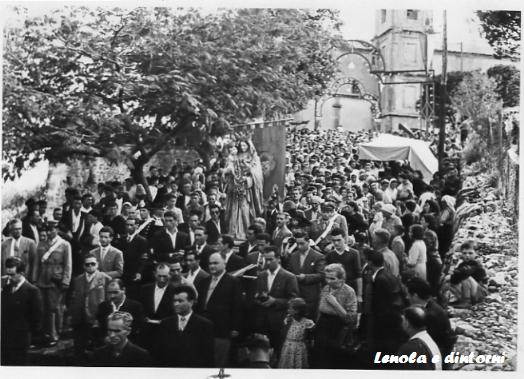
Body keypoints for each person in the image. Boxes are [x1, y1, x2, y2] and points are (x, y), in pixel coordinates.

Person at [195, 252, 242, 367]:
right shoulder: (204, 281)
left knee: (219, 361)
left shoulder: (233, 282)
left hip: (222, 329)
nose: (212, 266)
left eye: (215, 263)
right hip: (203, 328)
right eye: (210, 263)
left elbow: (237, 306)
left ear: (224, 264)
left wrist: (235, 327)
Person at [154, 285, 214, 367]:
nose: (176, 304)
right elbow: (159, 353)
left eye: (180, 301)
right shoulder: (165, 323)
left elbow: (208, 356)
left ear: (191, 302)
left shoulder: (204, 325)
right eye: (174, 301)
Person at [253, 246, 299, 353]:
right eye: (266, 259)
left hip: (278, 322)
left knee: (278, 352)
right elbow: (255, 295)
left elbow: (294, 300)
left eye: (270, 259)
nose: (268, 262)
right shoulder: (261, 275)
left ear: (278, 259)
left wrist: (275, 301)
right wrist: (258, 300)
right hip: (262, 322)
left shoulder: (289, 277)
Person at [34, 220, 72, 345]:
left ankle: (55, 334)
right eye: (48, 230)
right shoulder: (41, 244)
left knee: (54, 308)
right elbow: (36, 264)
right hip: (41, 280)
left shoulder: (64, 244)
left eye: (52, 229)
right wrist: (34, 279)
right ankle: (46, 333)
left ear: (57, 229)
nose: (50, 232)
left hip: (55, 279)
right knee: (43, 307)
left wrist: (66, 280)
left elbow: (68, 265)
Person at [313, 263, 357, 369]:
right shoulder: (325, 288)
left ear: (342, 279)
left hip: (338, 329)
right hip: (322, 327)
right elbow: (319, 309)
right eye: (327, 278)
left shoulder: (349, 291)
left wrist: (335, 304)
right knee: (319, 358)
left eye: (332, 278)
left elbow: (351, 318)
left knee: (333, 360)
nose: (328, 281)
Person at [1, 257, 43, 365]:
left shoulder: (32, 291)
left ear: (22, 273)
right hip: (5, 337)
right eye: (8, 275)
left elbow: (36, 316)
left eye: (13, 275)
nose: (9, 278)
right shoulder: (6, 288)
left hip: (21, 338)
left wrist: (31, 334)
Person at [69, 253, 111, 359]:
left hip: (96, 318)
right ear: (83, 266)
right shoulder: (77, 279)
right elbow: (73, 298)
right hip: (80, 318)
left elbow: (109, 300)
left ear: (97, 264)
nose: (90, 266)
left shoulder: (105, 278)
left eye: (93, 264)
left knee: (96, 349)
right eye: (87, 264)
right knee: (79, 348)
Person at [405, 278, 456, 361]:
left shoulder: (430, 315)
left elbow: (427, 344)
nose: (407, 297)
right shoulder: (430, 305)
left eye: (408, 294)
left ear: (415, 296)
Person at [285, 231, 325, 319]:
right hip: (296, 296)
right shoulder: (293, 256)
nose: (299, 246)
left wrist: (305, 277)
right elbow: (288, 272)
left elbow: (321, 275)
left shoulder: (318, 257)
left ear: (308, 242)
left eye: (302, 243)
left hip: (311, 297)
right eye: (297, 244)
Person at [138, 263, 175, 350]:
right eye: (159, 276)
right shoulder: (145, 289)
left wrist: (162, 322)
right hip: (146, 333)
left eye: (165, 276)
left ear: (169, 275)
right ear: (154, 274)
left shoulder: (175, 291)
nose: (162, 279)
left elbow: (175, 313)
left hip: (165, 333)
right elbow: (140, 308)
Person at [96, 279, 145, 343]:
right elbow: (100, 328)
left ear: (123, 290)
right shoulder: (103, 306)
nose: (112, 296)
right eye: (109, 293)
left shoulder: (136, 307)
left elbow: (138, 330)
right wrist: (105, 338)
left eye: (115, 292)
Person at [325, 228, 363, 304]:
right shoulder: (330, 255)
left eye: (338, 240)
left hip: (351, 290)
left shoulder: (354, 253)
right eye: (333, 240)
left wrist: (359, 295)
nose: (336, 243)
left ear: (344, 238)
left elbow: (358, 275)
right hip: (335, 292)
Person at [278, 298, 315, 369]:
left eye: (290, 309)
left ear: (297, 311)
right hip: (288, 347)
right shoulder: (288, 320)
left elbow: (310, 337)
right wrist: (287, 324)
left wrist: (309, 344)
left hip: (299, 348)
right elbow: (283, 333)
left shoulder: (307, 322)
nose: (288, 310)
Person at [449, 241, 487, 307]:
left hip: (480, 292)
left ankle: (466, 302)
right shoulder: (462, 264)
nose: (467, 255)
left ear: (476, 254)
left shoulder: (476, 264)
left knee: (466, 277)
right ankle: (461, 299)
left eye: (470, 253)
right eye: (464, 253)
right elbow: (454, 279)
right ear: (461, 254)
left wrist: (455, 272)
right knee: (448, 281)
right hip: (471, 290)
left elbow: (465, 272)